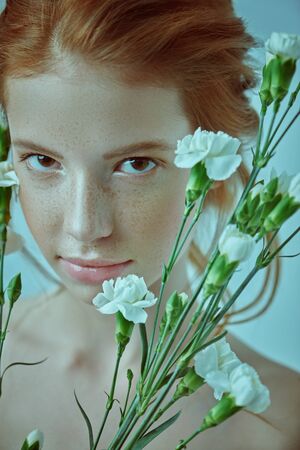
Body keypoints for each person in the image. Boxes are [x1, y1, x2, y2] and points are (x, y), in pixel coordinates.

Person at [0, 1, 299, 449]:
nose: (84, 227)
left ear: (216, 160)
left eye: (136, 164)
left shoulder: (280, 426)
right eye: (42, 160)